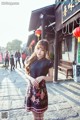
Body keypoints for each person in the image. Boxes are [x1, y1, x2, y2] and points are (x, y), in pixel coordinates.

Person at [24, 40, 53, 120]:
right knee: (35, 116)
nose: (39, 51)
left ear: (46, 51)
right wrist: (31, 79)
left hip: (41, 92)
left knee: (41, 116)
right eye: (38, 48)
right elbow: (26, 74)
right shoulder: (30, 59)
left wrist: (43, 77)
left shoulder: (48, 62)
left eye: (42, 50)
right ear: (35, 48)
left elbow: (51, 78)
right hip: (31, 90)